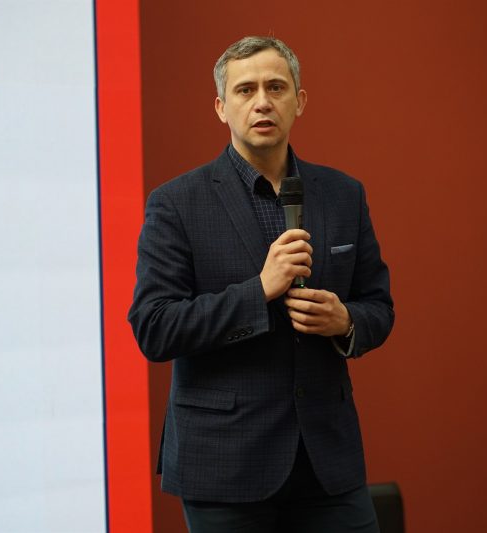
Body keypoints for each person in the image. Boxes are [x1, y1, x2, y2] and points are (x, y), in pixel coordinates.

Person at [128, 36, 394, 533]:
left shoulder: (343, 194)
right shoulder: (177, 203)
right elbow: (155, 327)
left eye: (276, 87)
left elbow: (379, 307)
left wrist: (345, 321)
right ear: (221, 108)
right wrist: (260, 290)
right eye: (245, 90)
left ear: (300, 101)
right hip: (225, 464)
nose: (262, 102)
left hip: (327, 460)